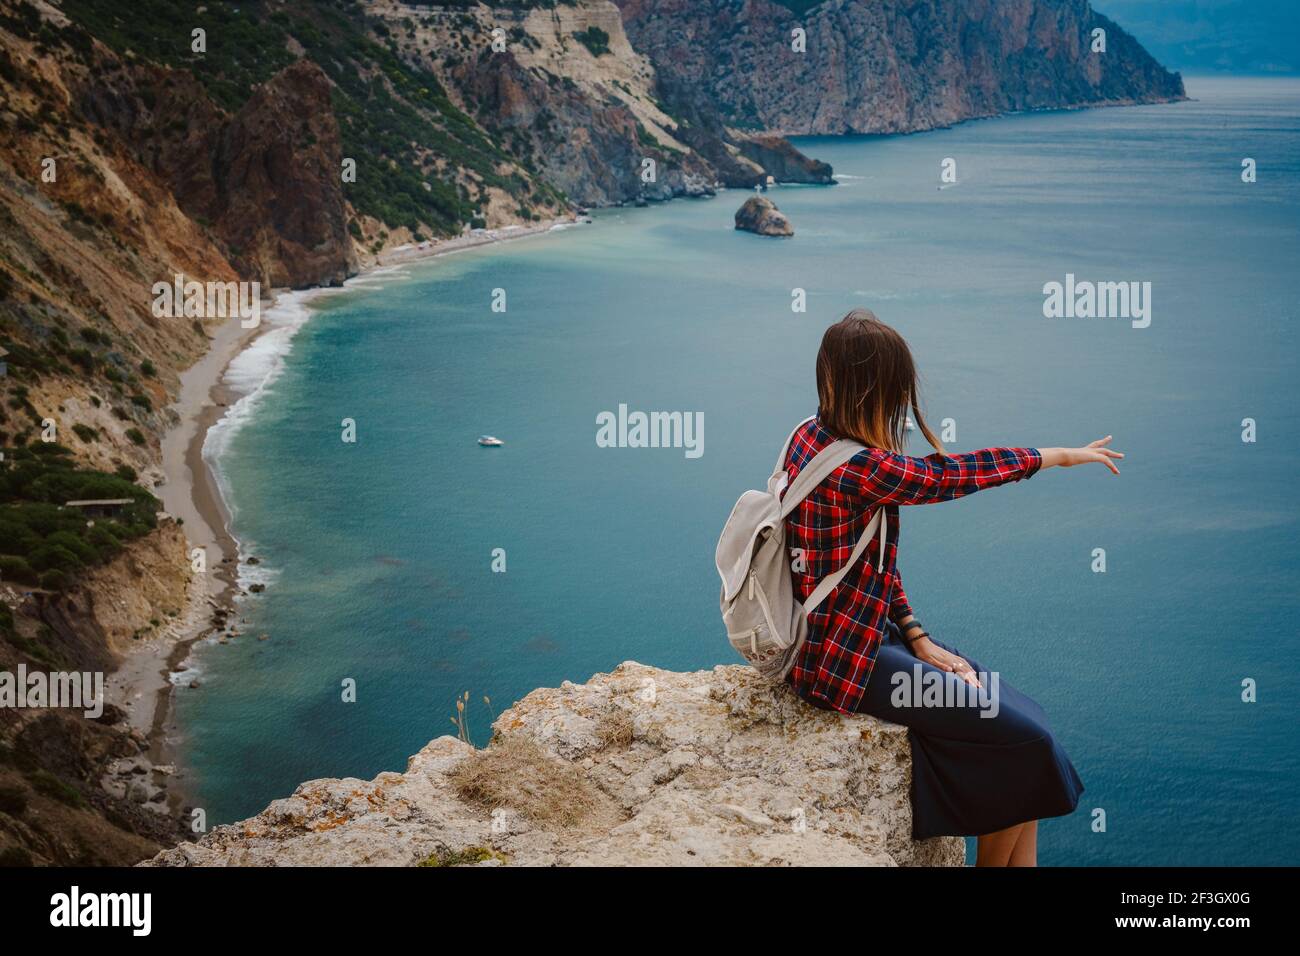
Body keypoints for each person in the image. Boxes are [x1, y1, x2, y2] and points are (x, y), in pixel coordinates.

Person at [784, 309, 1123, 866]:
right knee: (1026, 746)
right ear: (880, 388)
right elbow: (947, 476)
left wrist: (916, 635)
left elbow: (868, 567)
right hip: (841, 665)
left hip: (863, 637)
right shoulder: (860, 468)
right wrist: (1056, 456)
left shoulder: (810, 436)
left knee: (1031, 725)